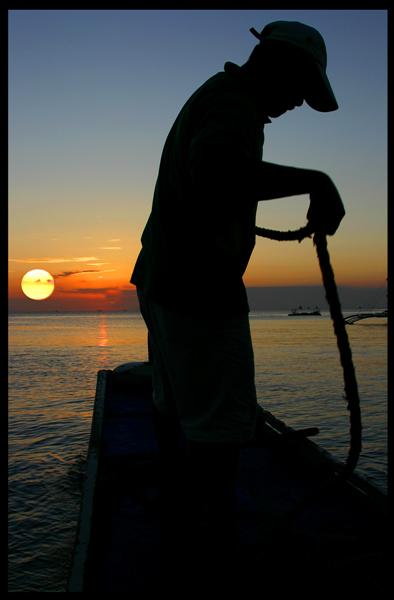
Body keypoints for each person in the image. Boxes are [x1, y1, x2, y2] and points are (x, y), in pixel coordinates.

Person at [131, 20, 345, 583]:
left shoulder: (217, 95)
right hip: (200, 289)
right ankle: (217, 554)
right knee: (220, 428)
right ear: (280, 66)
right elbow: (217, 173)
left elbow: (211, 177)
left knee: (173, 403)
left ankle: (181, 519)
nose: (298, 104)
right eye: (301, 90)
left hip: (161, 279)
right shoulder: (235, 106)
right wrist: (316, 180)